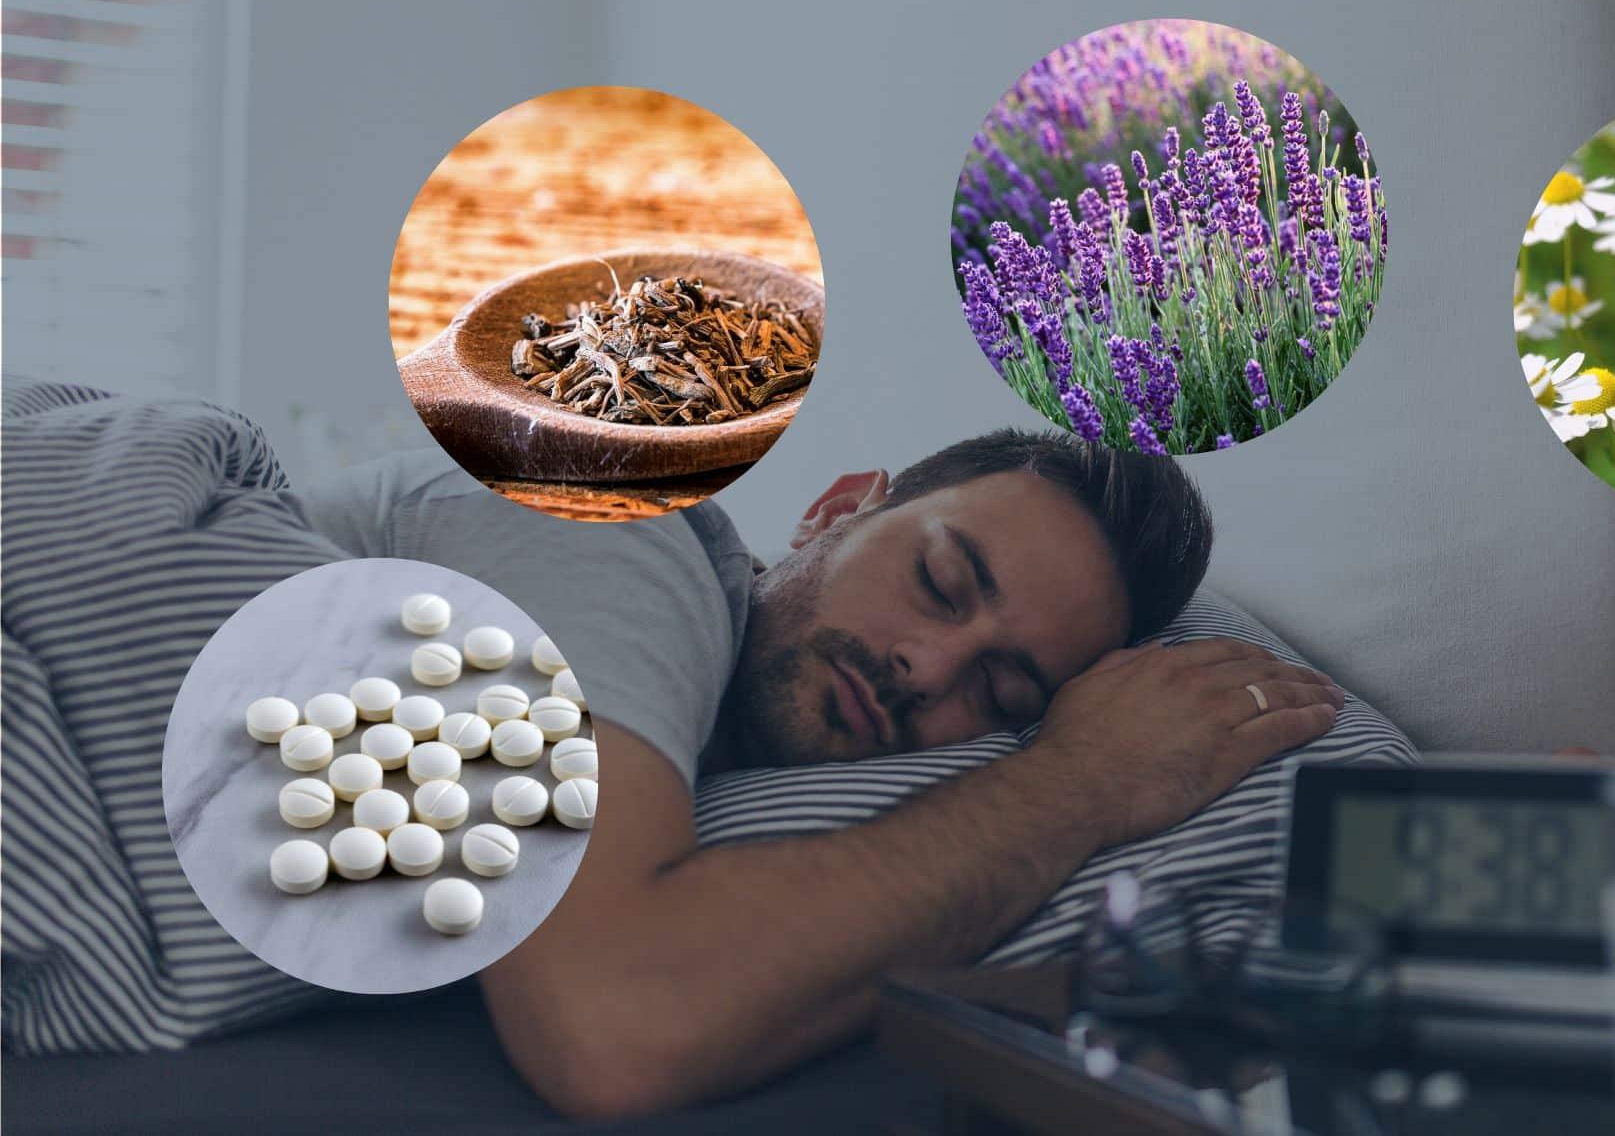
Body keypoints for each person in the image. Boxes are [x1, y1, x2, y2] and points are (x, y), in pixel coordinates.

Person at [293, 429, 1340, 1118]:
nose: (925, 671)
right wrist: (1083, 779)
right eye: (937, 581)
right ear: (835, 509)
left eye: (1003, 697)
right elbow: (614, 1016)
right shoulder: (626, 531)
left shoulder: (691, 770)